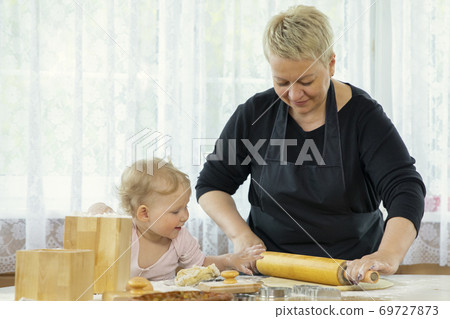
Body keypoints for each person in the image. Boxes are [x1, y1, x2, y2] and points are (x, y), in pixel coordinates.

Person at [195, 5, 425, 285]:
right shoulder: (255, 113)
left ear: (330, 64)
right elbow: (212, 184)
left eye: (306, 81)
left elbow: (404, 188)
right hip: (270, 272)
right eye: (281, 82)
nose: (294, 94)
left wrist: (387, 254)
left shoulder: (364, 117)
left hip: (351, 274)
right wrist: (241, 236)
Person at [89, 158, 264, 281]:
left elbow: (201, 265)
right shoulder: (124, 233)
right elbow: (95, 211)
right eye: (175, 211)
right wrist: (104, 214)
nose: (185, 216)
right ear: (144, 214)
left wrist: (229, 260)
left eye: (186, 207)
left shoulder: (181, 239)